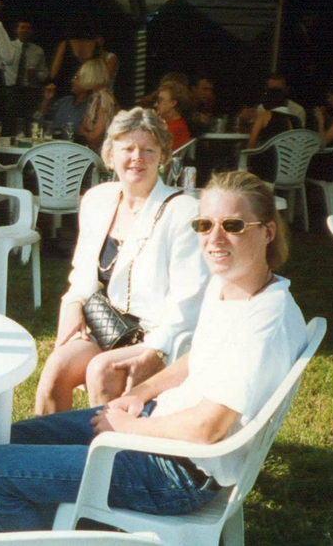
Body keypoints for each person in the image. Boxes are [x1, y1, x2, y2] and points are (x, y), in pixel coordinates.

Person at [0, 169, 307, 532]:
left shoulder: (264, 320)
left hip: (178, 471)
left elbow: (209, 427)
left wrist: (129, 429)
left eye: (233, 225)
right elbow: (200, 358)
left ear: (267, 231)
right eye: (205, 225)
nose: (214, 238)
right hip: (160, 428)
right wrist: (141, 394)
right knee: (15, 438)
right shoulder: (228, 284)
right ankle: (69, 532)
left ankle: (66, 535)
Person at [34, 108, 208, 416]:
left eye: (148, 150)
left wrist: (156, 350)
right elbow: (83, 273)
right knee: (54, 372)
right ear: (110, 155)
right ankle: (49, 454)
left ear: (163, 157)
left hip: (160, 337)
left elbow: (188, 301)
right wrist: (74, 304)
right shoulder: (97, 199)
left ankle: (104, 458)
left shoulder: (184, 211)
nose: (137, 158)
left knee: (101, 370)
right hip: (109, 328)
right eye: (127, 148)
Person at [76, 59, 119, 152]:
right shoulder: (95, 97)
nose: (79, 77)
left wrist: (85, 133)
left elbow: (97, 135)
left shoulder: (104, 99)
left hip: (102, 154)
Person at [36, 72, 90, 138]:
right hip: (53, 143)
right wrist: (46, 100)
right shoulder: (64, 101)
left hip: (75, 145)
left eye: (76, 78)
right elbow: (39, 119)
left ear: (87, 83)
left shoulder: (90, 107)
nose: (72, 81)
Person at [5, 20, 49, 88]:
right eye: (22, 27)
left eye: (28, 28)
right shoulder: (7, 47)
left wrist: (36, 75)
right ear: (16, 30)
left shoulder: (38, 51)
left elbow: (44, 73)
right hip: (9, 88)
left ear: (31, 31)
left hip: (30, 90)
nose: (25, 30)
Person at [154, 80, 191, 150]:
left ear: (173, 103)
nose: (155, 104)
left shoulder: (175, 129)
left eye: (160, 100)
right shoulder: (167, 126)